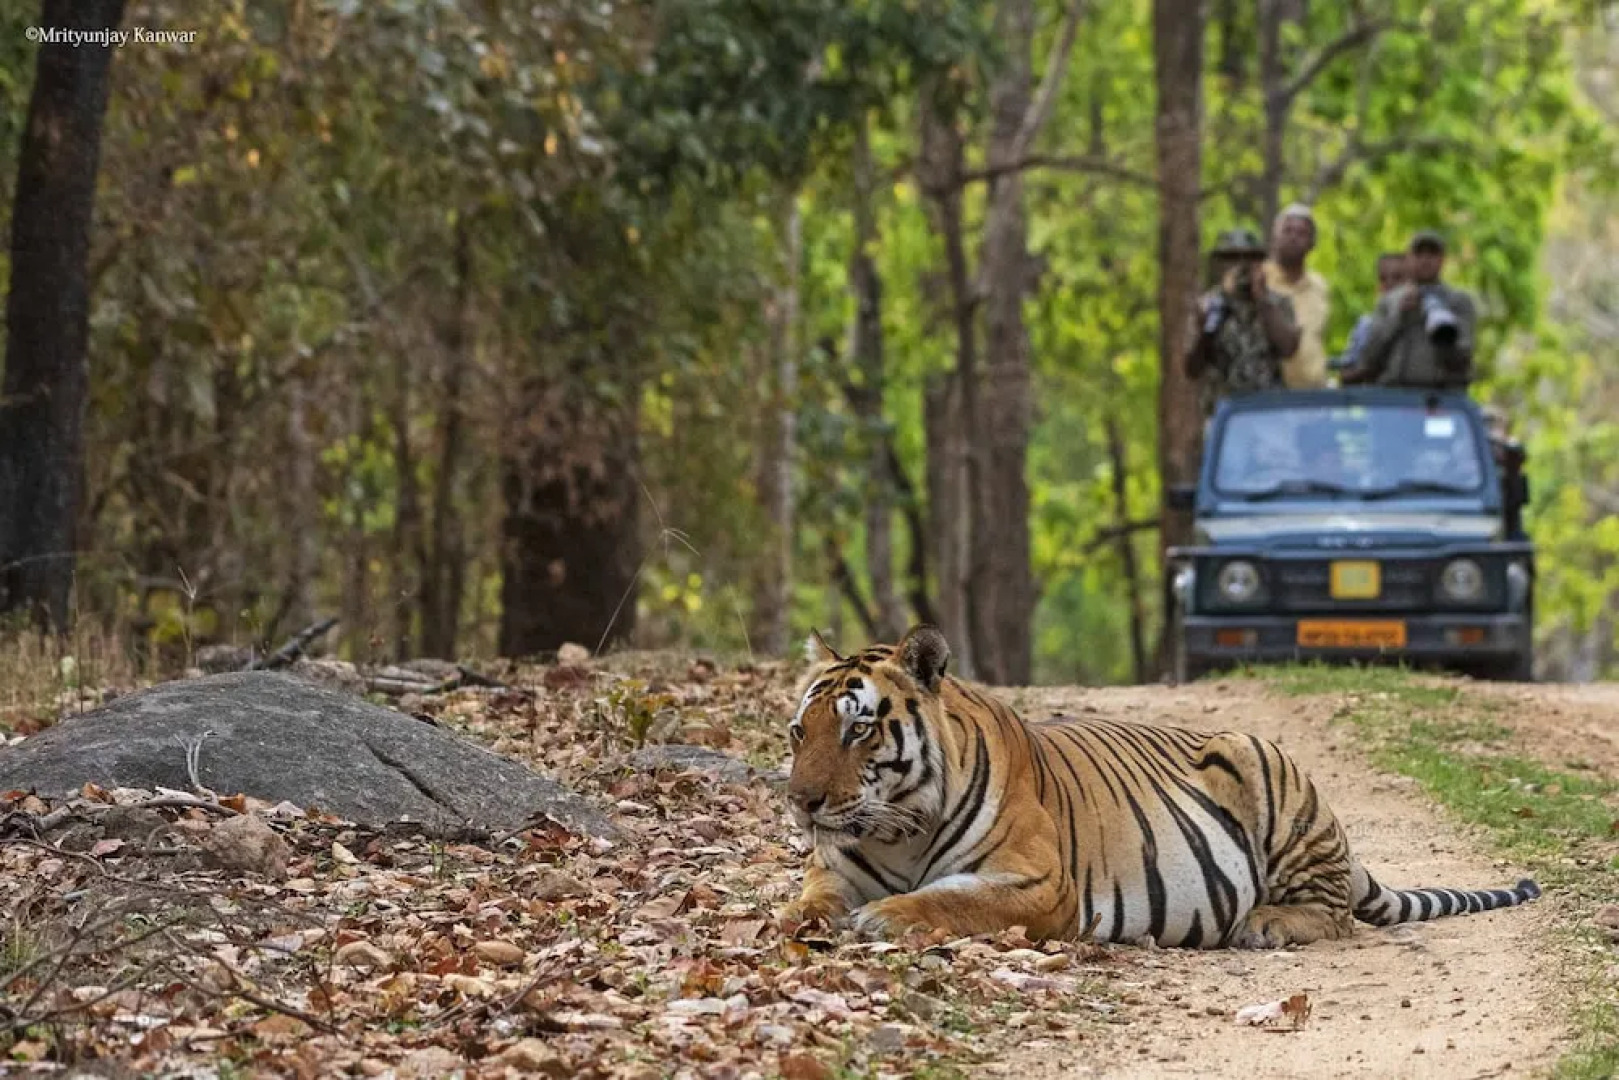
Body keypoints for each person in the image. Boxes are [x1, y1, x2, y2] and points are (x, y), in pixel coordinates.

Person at [1185, 228, 1300, 418]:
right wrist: (1208, 326)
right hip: (1224, 413)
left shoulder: (1278, 303)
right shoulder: (1208, 305)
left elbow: (1288, 348)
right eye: (1231, 259)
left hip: (1268, 410)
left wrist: (1262, 300)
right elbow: (1191, 368)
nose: (1241, 266)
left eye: (1249, 259)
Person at [1342, 231, 1477, 389]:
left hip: (1440, 396)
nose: (1425, 260)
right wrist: (1399, 316)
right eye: (1419, 254)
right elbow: (1370, 357)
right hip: (1395, 395)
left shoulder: (1458, 301)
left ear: (1442, 260)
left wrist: (1442, 329)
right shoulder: (1389, 301)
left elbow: (1463, 357)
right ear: (1409, 259)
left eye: (1432, 254)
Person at [1262, 204, 1331, 389]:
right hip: (1270, 397)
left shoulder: (1320, 286)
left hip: (1315, 394)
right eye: (1287, 230)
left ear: (1312, 243)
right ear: (1275, 237)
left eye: (1302, 233)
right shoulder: (1260, 280)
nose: (1293, 237)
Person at [1331, 252, 1407, 374]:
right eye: (1383, 279)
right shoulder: (1365, 325)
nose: (1389, 283)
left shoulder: (1426, 322)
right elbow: (1345, 374)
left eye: (1397, 277)